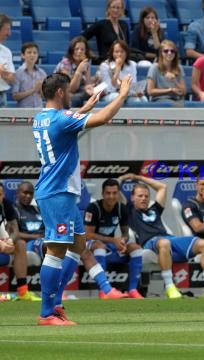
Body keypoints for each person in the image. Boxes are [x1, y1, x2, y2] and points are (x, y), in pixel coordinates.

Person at [32, 71, 132, 326]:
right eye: (69, 91)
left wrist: (86, 106)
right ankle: (47, 313)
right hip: (58, 193)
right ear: (59, 93)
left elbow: (66, 123)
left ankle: (56, 304)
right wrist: (121, 95)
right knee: (55, 251)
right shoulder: (61, 119)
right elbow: (104, 117)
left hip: (61, 193)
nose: (72, 94)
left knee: (78, 248)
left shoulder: (41, 117)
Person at [119, 173, 204, 299]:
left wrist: (139, 177)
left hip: (170, 238)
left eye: (146, 196)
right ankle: (170, 287)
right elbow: (116, 190)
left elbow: (162, 187)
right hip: (151, 242)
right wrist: (123, 179)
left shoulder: (155, 209)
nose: (144, 198)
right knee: (164, 243)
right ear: (132, 198)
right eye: (140, 196)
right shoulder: (129, 210)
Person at [84, 179, 144, 299]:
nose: (111, 196)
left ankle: (133, 290)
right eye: (108, 193)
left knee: (136, 248)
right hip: (89, 245)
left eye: (114, 193)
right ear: (102, 194)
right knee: (99, 245)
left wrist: (122, 241)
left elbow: (125, 232)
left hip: (109, 244)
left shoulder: (122, 208)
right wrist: (113, 240)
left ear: (118, 194)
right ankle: (104, 291)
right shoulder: (93, 208)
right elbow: (88, 234)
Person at [11, 182, 43, 301]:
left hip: (41, 241)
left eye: (30, 193)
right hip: (27, 244)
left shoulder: (37, 209)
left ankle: (57, 290)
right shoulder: (13, 210)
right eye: (25, 192)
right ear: (17, 193)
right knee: (51, 249)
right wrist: (36, 237)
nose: (28, 196)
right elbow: (14, 233)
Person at [98, 40, 148, 105]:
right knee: (118, 97)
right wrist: (117, 69)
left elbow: (133, 84)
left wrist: (135, 93)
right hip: (110, 94)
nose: (119, 54)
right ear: (112, 53)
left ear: (126, 53)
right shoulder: (105, 66)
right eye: (116, 52)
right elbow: (109, 88)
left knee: (144, 99)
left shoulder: (131, 64)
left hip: (127, 94)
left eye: (122, 51)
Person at [81, 0, 130, 65]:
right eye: (113, 7)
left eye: (118, 8)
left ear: (122, 10)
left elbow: (127, 45)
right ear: (108, 9)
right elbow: (81, 38)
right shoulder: (100, 24)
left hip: (122, 61)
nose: (115, 10)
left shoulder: (124, 25)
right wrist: (89, 52)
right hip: (106, 62)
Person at [55, 36, 96, 107]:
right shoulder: (65, 63)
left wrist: (85, 64)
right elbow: (71, 89)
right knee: (77, 99)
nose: (79, 51)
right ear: (72, 50)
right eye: (76, 49)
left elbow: (87, 84)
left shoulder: (85, 63)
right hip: (62, 93)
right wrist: (79, 71)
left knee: (94, 94)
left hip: (78, 93)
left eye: (82, 49)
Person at [146, 40, 186, 106]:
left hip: (176, 100)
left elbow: (183, 92)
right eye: (166, 51)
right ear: (161, 53)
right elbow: (150, 91)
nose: (169, 53)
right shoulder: (154, 67)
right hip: (159, 100)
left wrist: (175, 81)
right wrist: (169, 90)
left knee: (187, 107)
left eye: (172, 51)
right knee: (176, 106)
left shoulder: (179, 68)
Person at [12, 42, 46, 108]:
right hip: (24, 111)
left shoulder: (42, 73)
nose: (32, 55)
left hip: (39, 109)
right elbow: (15, 96)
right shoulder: (18, 73)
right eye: (29, 52)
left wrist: (41, 89)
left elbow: (44, 96)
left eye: (35, 52)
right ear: (23, 55)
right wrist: (33, 90)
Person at [0, 182, 18, 267]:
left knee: (20, 244)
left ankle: (21, 280)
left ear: (3, 195)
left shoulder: (6, 204)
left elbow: (15, 230)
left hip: (2, 240)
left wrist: (10, 240)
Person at [0, 14, 16, 107]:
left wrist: (2, 73)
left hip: (2, 96)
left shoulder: (7, 51)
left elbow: (12, 78)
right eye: (7, 29)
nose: (9, 34)